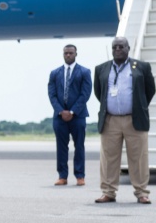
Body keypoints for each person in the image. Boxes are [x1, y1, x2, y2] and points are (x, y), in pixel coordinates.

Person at [93, 36, 155, 204]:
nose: (118, 49)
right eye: (115, 47)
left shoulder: (141, 67)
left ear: (128, 48)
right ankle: (108, 192)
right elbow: (99, 93)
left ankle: (142, 192)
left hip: (134, 120)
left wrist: (138, 107)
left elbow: (150, 90)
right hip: (110, 120)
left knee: (139, 158)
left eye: (121, 47)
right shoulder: (101, 69)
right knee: (109, 158)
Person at [47, 44, 92, 186]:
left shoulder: (84, 72)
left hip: (78, 116)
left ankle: (80, 176)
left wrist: (72, 112)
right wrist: (61, 111)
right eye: (66, 53)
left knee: (79, 146)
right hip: (59, 116)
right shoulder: (55, 73)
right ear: (63, 54)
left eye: (70, 53)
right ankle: (62, 176)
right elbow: (52, 95)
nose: (68, 55)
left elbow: (85, 94)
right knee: (61, 147)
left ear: (76, 54)